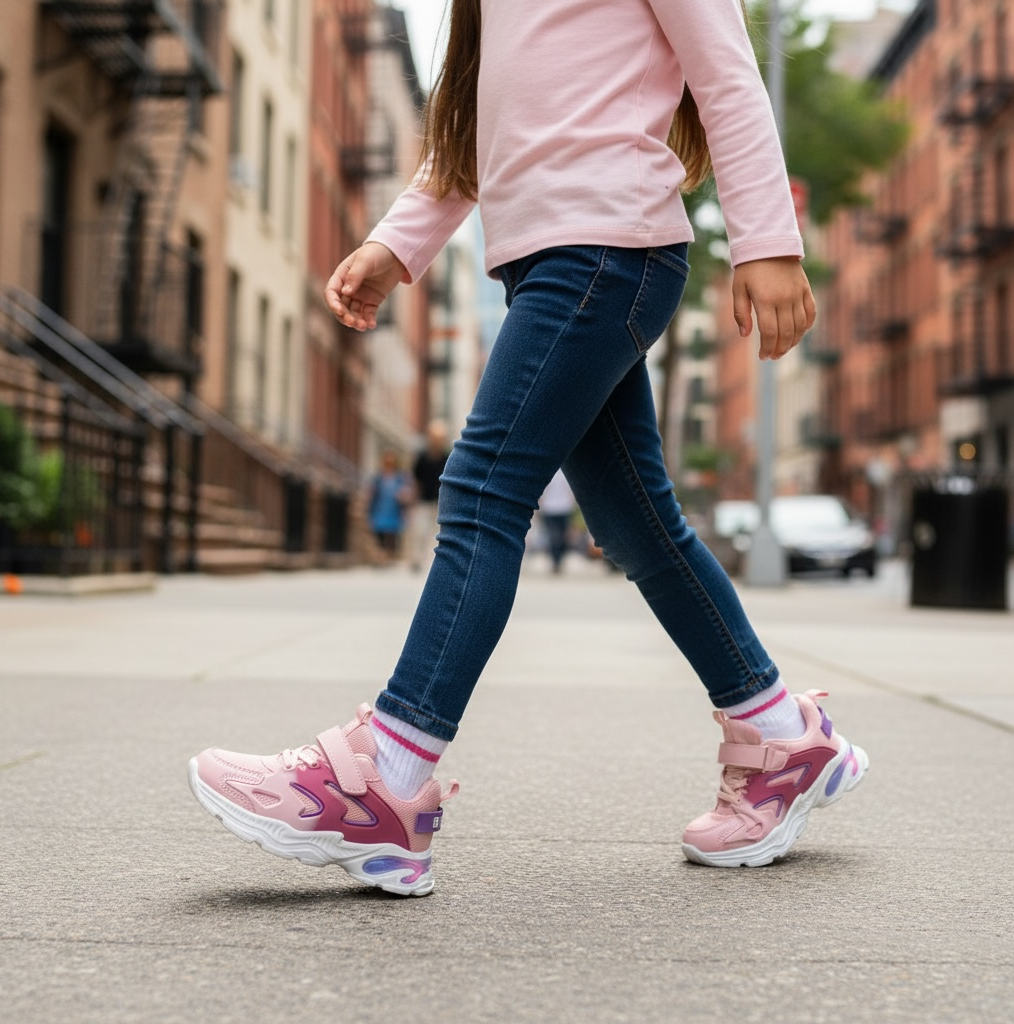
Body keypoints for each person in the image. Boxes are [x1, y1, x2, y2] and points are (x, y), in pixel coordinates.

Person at [188, 0, 868, 896]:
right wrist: (399, 242)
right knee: (635, 525)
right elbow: (476, 127)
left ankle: (387, 777)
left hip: (604, 249)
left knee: (481, 491)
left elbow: (728, 73)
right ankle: (781, 735)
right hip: (560, 259)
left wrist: (768, 241)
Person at [408, 420, 451, 572]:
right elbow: (416, 480)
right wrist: (413, 499)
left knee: (436, 534)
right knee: (419, 531)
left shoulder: (448, 457)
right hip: (423, 501)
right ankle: (416, 560)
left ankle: (432, 563)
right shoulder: (422, 457)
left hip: (440, 502)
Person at [366, 450, 411, 561]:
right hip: (380, 508)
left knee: (392, 533)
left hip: (394, 509)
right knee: (379, 532)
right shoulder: (378, 477)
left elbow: (407, 492)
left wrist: (403, 496)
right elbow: (371, 491)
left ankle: (389, 554)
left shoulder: (400, 477)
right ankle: (382, 555)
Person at [538, 469, 577, 573]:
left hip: (562, 508)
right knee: (554, 536)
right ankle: (556, 561)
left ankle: (558, 560)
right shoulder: (552, 473)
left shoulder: (562, 474)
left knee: (560, 537)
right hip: (551, 508)